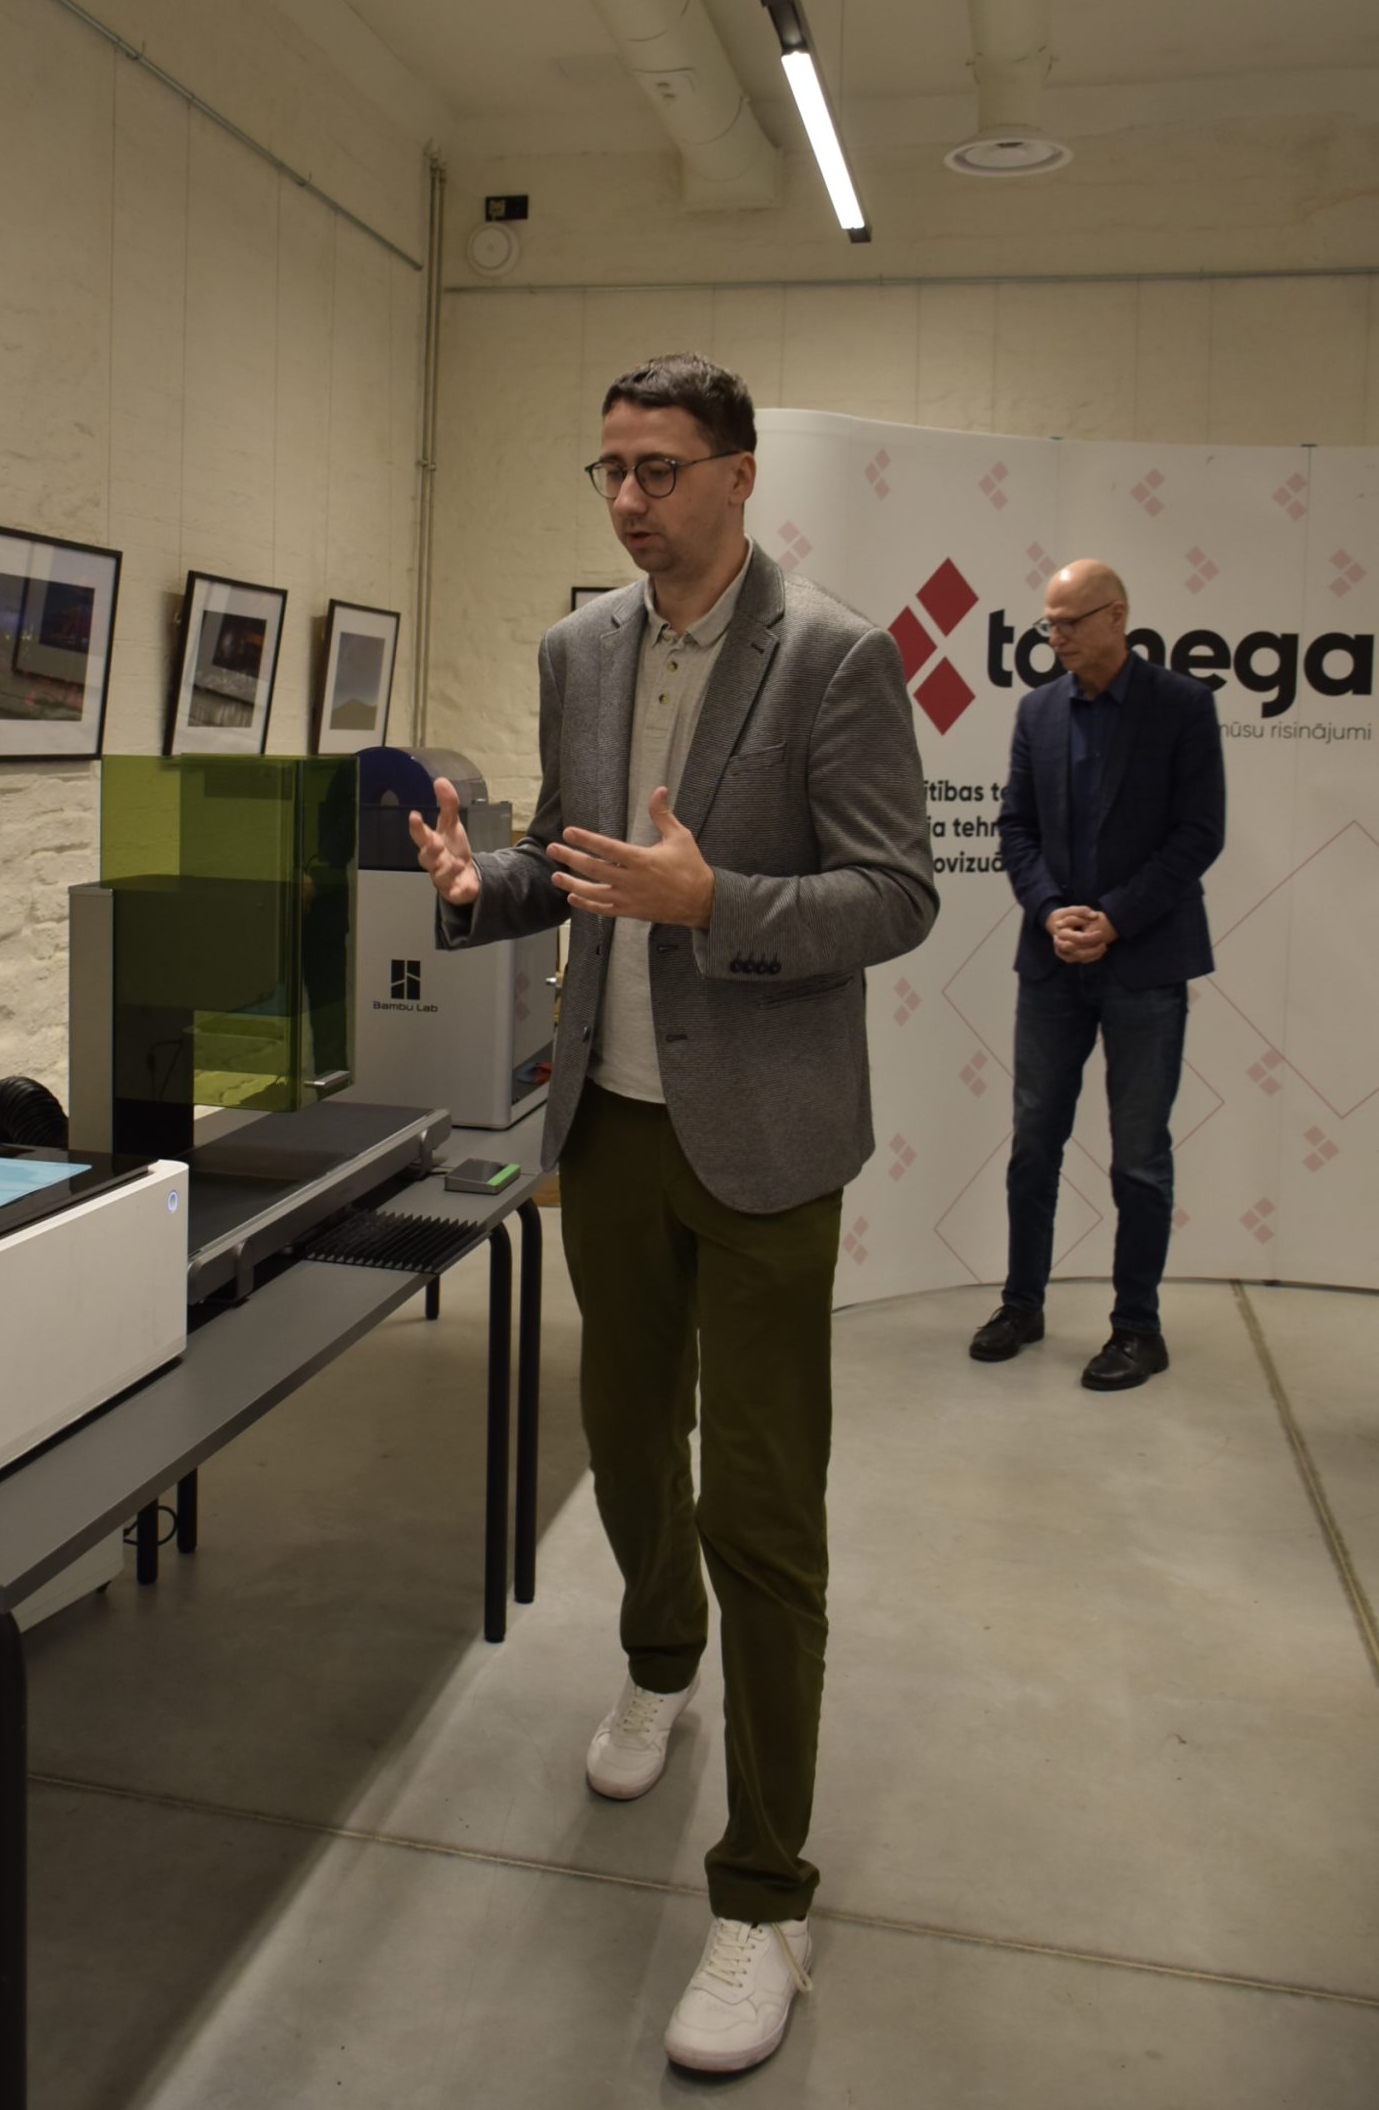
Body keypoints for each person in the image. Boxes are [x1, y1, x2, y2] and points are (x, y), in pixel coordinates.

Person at [409, 353, 936, 2074]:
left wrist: (721, 903)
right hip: (610, 1128)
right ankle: (656, 1656)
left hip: (771, 1144)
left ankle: (764, 1893)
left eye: (658, 469)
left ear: (737, 476)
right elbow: (573, 861)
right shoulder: (580, 651)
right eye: (610, 470)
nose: (629, 499)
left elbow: (895, 896)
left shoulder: (837, 657)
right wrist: (479, 884)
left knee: (762, 1512)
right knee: (628, 1450)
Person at [973, 560, 1226, 1389]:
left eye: (1069, 622)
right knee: (1032, 1145)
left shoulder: (1181, 706)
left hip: (1144, 963)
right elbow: (1015, 828)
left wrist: (1113, 918)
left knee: (1138, 1157)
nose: (1055, 637)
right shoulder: (1037, 711)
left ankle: (1136, 1329)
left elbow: (1198, 833)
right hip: (1052, 963)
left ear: (1116, 616)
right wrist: (1052, 913)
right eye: (1048, 623)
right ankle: (1021, 1303)